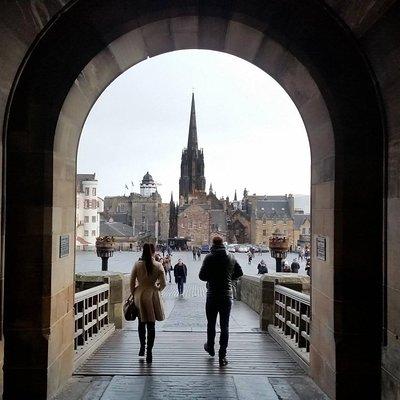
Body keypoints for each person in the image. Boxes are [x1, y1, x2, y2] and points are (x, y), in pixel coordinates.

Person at [199, 236, 243, 367]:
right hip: (226, 295)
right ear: (223, 244)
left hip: (212, 294)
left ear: (213, 244)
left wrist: (211, 277)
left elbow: (202, 276)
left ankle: (210, 347)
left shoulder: (209, 257)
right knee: (225, 326)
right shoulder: (231, 257)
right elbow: (239, 272)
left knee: (211, 323)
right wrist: (229, 278)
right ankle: (222, 354)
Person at [130, 243, 166, 363]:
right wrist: (157, 290)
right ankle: (149, 351)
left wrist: (135, 292)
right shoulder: (158, 265)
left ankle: (142, 347)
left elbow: (131, 282)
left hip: (139, 294)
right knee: (151, 325)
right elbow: (163, 283)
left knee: (141, 323)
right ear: (153, 252)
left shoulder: (137, 264)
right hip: (152, 295)